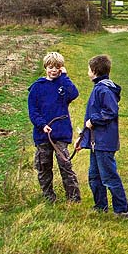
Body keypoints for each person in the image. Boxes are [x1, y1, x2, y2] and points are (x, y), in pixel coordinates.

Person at [79, 54, 128, 218]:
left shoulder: (103, 89)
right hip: (96, 142)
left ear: (94, 71)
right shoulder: (99, 87)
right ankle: (100, 206)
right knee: (94, 176)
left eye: (88, 69)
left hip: (104, 142)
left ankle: (122, 210)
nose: (87, 72)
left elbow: (110, 111)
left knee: (108, 176)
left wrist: (93, 120)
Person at [27, 52, 80, 203]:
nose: (54, 70)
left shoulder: (63, 84)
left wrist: (65, 77)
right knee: (44, 166)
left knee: (65, 165)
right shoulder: (37, 87)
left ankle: (74, 198)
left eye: (57, 67)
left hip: (61, 134)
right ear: (45, 68)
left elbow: (74, 94)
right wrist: (42, 125)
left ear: (61, 68)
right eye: (50, 67)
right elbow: (33, 111)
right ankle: (49, 196)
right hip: (43, 135)